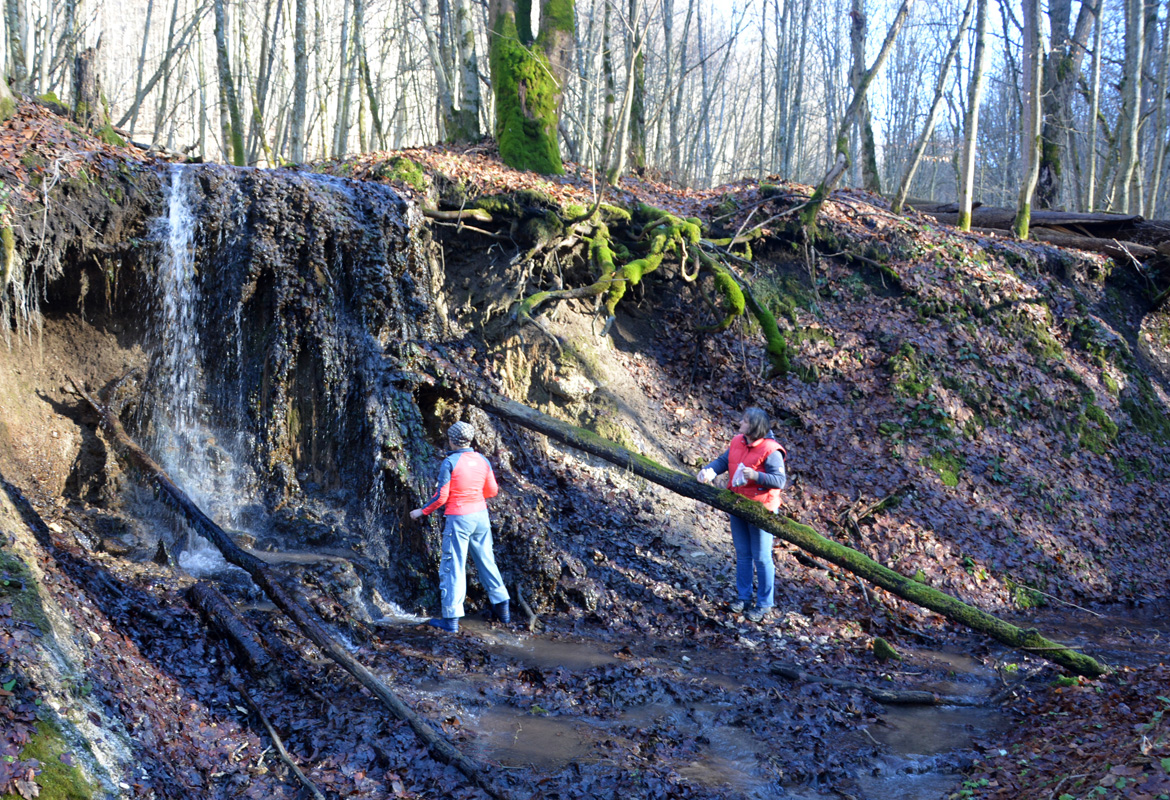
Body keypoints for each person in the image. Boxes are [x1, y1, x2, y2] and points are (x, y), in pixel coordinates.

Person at [410, 421, 510, 633]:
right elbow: (492, 491)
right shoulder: (483, 460)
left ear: (451, 440)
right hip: (481, 516)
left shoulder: (450, 462)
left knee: (453, 565)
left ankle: (451, 619)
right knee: (486, 559)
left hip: (459, 518)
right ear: (470, 439)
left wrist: (421, 511)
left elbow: (441, 497)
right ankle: (503, 608)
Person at [697, 407, 787, 622]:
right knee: (743, 554)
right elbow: (723, 461)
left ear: (754, 427)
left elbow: (779, 481)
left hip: (761, 510)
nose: (740, 422)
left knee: (762, 558)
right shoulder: (738, 440)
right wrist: (709, 471)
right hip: (737, 504)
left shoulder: (772, 450)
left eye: (745, 421)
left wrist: (756, 475)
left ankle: (764, 604)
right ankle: (743, 598)